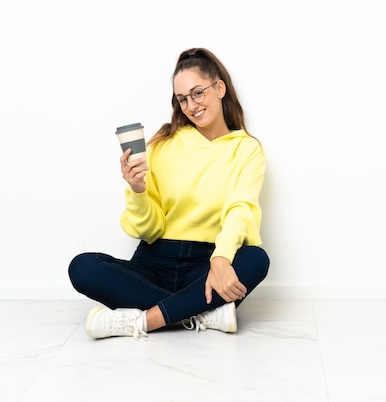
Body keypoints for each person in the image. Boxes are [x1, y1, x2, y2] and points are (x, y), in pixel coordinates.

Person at [68, 48, 270, 339]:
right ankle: (200, 312)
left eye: (198, 93)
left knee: (256, 260)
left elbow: (241, 209)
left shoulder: (247, 148)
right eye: (182, 99)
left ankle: (143, 321)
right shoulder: (164, 143)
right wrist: (138, 191)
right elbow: (149, 228)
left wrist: (221, 258)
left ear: (220, 88)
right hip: (155, 260)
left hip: (208, 261)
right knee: (83, 267)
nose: (191, 105)